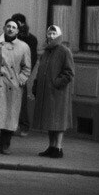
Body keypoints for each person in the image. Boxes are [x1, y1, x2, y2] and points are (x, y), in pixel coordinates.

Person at [0, 18, 32, 155]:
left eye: (13, 27)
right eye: (8, 26)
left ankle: (5, 145)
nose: (10, 29)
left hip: (12, 86)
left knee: (9, 116)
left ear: (18, 31)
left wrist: (19, 80)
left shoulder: (23, 47)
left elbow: (26, 68)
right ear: (4, 28)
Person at [32, 25, 74, 159]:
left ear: (59, 36)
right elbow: (40, 70)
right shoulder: (46, 52)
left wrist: (56, 83)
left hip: (58, 93)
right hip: (47, 92)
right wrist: (37, 84)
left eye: (53, 34)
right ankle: (51, 146)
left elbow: (69, 73)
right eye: (49, 34)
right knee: (50, 120)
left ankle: (58, 147)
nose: (50, 36)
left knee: (58, 121)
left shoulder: (64, 51)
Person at [11, 12, 38, 137]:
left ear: (22, 23)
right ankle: (11, 126)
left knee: (22, 102)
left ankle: (24, 126)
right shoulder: (10, 37)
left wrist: (25, 75)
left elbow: (32, 59)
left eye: (18, 22)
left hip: (21, 73)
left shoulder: (31, 39)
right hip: (9, 72)